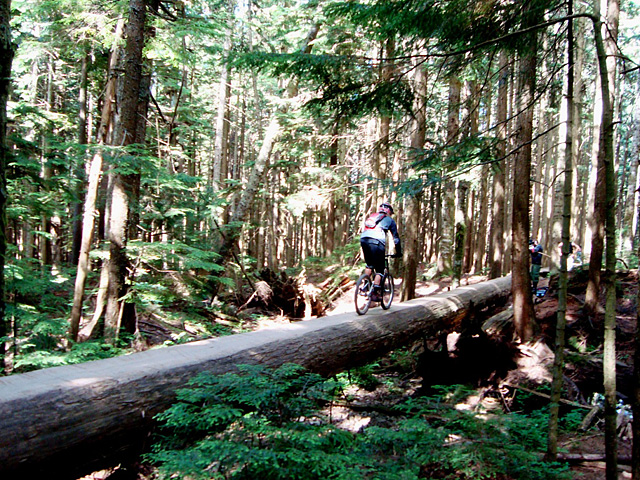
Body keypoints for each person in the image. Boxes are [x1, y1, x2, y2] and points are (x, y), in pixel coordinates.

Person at [360, 202, 402, 301]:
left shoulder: (372, 216)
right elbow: (396, 238)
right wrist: (398, 252)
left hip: (364, 239)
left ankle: (365, 285)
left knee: (369, 265)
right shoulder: (390, 220)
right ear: (389, 212)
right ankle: (375, 292)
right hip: (377, 241)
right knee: (380, 269)